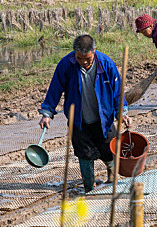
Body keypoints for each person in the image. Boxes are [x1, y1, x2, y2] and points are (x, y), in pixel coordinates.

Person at [38, 35, 131, 193]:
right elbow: (55, 89)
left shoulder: (106, 64)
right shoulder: (66, 65)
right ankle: (89, 187)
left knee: (110, 149)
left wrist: (122, 112)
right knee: (84, 154)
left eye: (87, 58)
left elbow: (117, 92)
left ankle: (112, 176)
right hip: (79, 120)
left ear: (94, 51)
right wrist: (47, 113)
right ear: (75, 53)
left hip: (103, 118)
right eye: (80, 58)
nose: (84, 62)